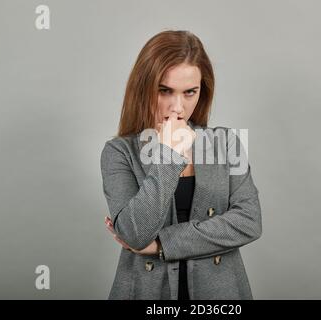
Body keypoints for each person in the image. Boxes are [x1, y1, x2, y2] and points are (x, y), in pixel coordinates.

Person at [100, 30, 262, 300]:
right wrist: (169, 157)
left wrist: (163, 243)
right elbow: (135, 235)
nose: (177, 108)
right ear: (144, 88)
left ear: (202, 91)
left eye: (190, 92)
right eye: (164, 91)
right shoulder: (119, 152)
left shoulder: (224, 143)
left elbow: (249, 222)